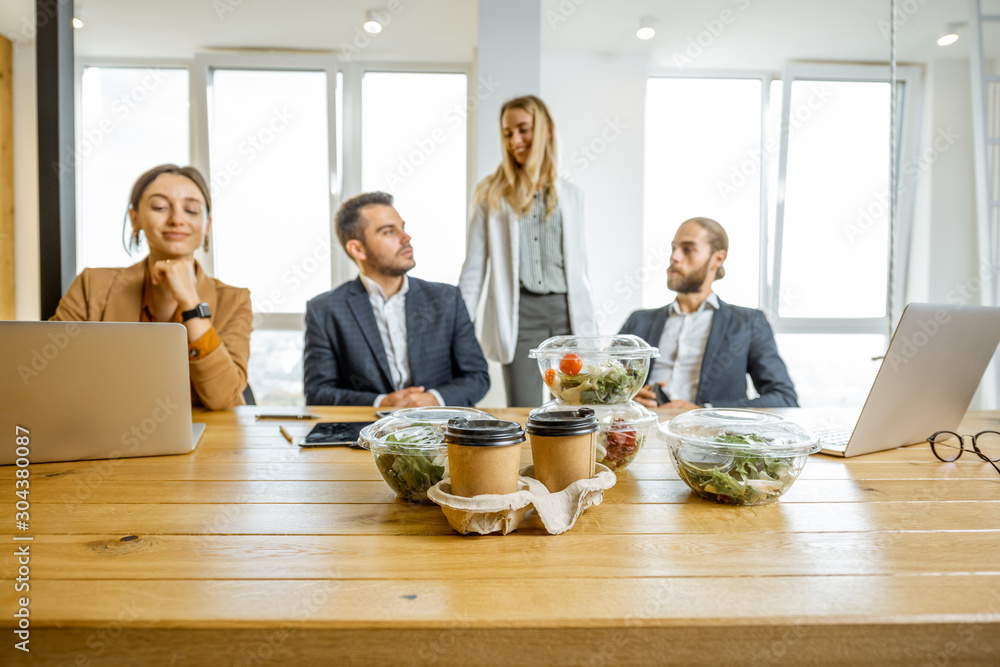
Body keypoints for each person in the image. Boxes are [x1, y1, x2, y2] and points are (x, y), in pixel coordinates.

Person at [51, 164, 252, 410]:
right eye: (160, 207)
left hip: (206, 441)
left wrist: (191, 303)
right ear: (135, 219)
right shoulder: (91, 287)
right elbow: (53, 376)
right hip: (104, 434)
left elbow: (224, 399)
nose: (177, 219)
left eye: (191, 210)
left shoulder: (235, 301)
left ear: (207, 225)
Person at [459, 95, 595, 407]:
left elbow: (579, 268)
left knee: (575, 406)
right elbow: (474, 268)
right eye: (508, 134)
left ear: (547, 130)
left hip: (567, 312)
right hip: (520, 314)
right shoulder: (491, 194)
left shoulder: (572, 195)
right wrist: (459, 324)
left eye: (523, 129)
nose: (515, 141)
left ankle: (571, 460)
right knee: (524, 407)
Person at [304, 192, 489, 407]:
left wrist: (433, 399)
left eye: (403, 227)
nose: (406, 237)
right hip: (367, 433)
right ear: (357, 249)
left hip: (440, 429)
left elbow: (477, 377)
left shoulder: (447, 299)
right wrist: (381, 403)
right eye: (389, 231)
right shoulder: (324, 310)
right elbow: (318, 393)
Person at [619, 217, 797, 410]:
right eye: (673, 248)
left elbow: (784, 399)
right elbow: (597, 387)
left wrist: (704, 411)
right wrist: (625, 397)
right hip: (639, 435)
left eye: (688, 249)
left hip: (707, 436)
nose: (674, 257)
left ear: (717, 258)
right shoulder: (638, 321)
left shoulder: (748, 323)